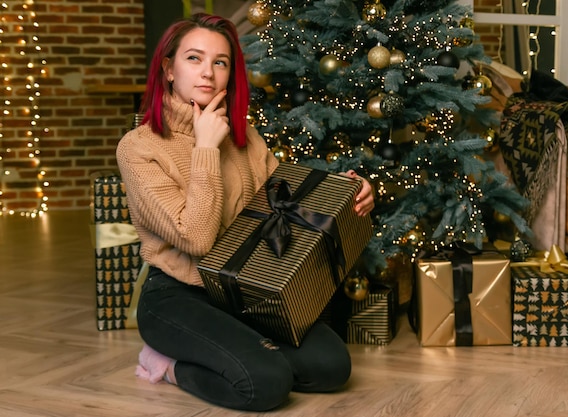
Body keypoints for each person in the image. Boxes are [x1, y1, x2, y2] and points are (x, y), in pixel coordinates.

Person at [116, 13, 374, 412]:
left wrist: (345, 190)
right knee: (264, 385)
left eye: (220, 62)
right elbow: (197, 239)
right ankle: (166, 364)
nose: (208, 73)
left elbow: (283, 208)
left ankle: (249, 356)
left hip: (239, 290)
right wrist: (205, 148)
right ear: (168, 69)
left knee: (332, 367)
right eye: (193, 59)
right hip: (176, 296)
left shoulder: (245, 137)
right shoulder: (138, 148)